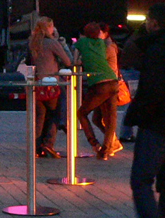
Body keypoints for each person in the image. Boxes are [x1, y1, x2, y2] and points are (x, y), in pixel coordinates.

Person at [124, 4, 165, 218]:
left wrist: (139, 118)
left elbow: (151, 91)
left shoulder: (158, 49)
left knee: (141, 180)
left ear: (154, 23)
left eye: (147, 20)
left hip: (158, 126)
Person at [73, 22, 120, 160]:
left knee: (82, 113)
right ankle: (104, 151)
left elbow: (74, 61)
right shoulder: (102, 43)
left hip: (99, 83)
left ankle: (94, 143)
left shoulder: (81, 42)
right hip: (113, 81)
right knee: (111, 119)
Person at [28, 17, 71, 159]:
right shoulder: (52, 43)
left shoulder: (32, 43)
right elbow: (68, 61)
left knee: (40, 117)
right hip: (51, 84)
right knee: (54, 114)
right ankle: (48, 144)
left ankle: (36, 147)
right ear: (50, 28)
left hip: (36, 84)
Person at [90, 23, 124, 156]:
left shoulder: (108, 47)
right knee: (97, 118)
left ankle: (109, 145)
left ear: (105, 33)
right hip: (103, 84)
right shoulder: (103, 45)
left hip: (109, 85)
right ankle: (113, 142)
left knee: (109, 118)